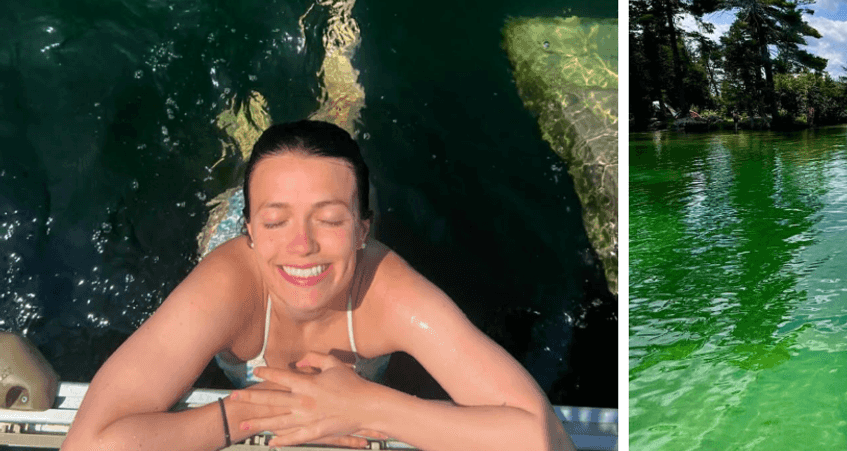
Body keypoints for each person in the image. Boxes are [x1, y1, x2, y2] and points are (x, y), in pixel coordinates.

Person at [62, 120, 575, 451]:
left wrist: (368, 406)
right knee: (254, 167)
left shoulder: (390, 292)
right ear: (251, 230)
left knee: (331, 123)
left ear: (362, 230)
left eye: (330, 220)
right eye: (275, 220)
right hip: (237, 254)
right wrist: (240, 415)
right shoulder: (223, 288)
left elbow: (541, 438)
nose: (302, 246)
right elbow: (86, 444)